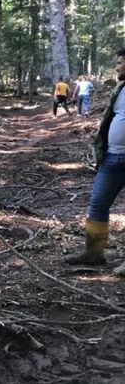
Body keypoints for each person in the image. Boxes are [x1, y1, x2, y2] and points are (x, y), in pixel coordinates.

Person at [65, 48, 125, 276]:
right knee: (98, 204)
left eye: (120, 62)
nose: (117, 66)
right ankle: (94, 253)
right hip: (112, 157)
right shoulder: (120, 89)